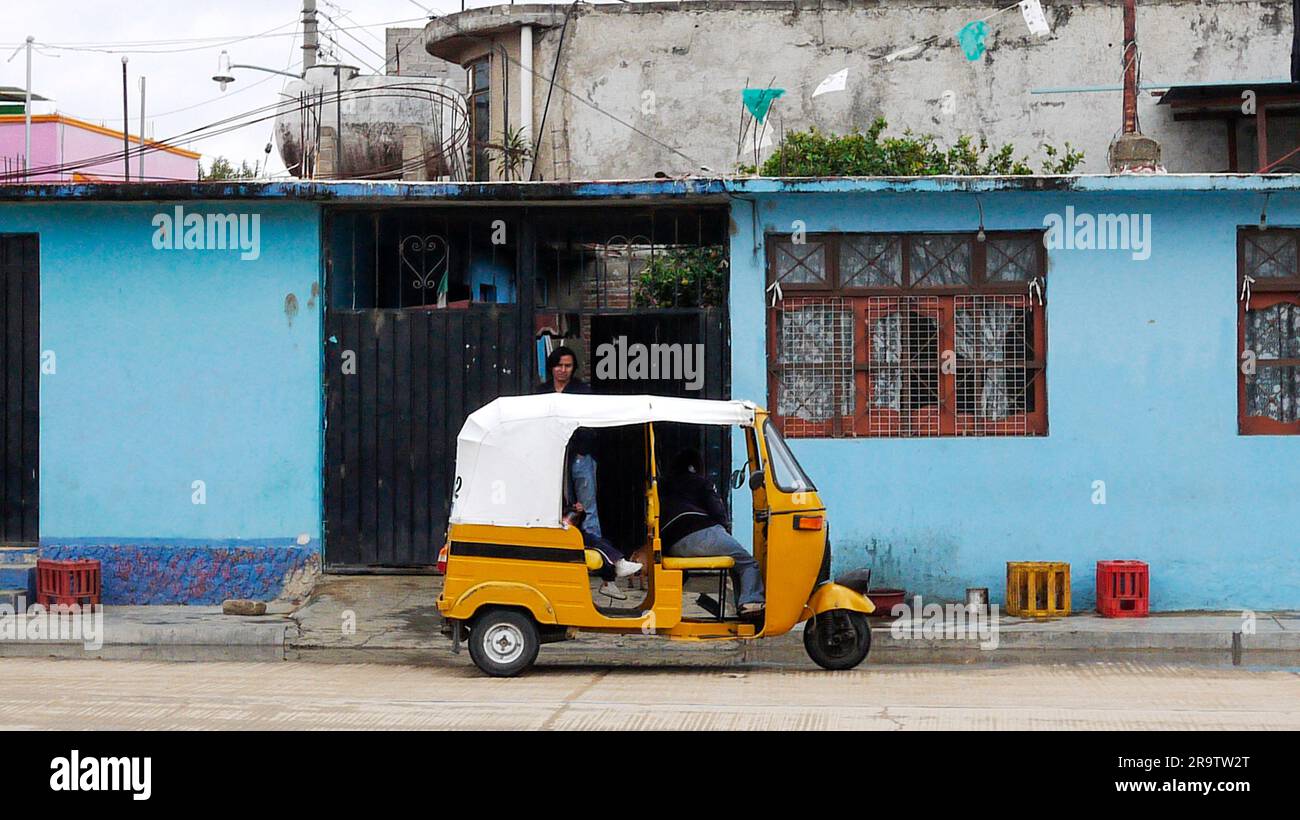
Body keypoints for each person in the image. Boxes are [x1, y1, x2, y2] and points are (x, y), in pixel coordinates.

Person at [658, 449, 766, 617]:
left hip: (673, 544)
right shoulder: (700, 482)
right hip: (704, 534)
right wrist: (725, 530)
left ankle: (742, 602)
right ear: (697, 466)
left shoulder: (664, 484)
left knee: (734, 563)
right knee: (747, 563)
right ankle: (750, 602)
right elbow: (717, 510)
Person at [537, 346, 602, 539]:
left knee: (587, 503)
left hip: (578, 453)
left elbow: (591, 422)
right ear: (551, 367)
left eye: (568, 366)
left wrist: (582, 449)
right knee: (552, 501)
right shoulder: (542, 392)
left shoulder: (582, 391)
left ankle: (593, 543)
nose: (563, 370)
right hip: (551, 454)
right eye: (559, 365)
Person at [565, 502, 641, 600]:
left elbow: (573, 518)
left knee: (603, 543)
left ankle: (609, 581)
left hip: (571, 532)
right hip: (563, 535)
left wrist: (579, 512)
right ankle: (617, 565)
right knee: (598, 545)